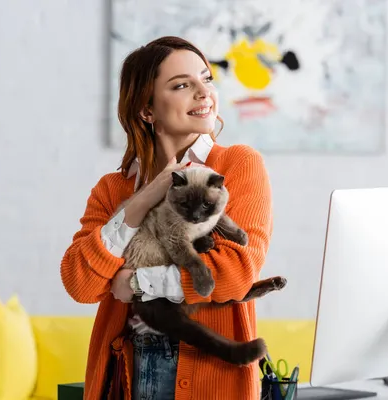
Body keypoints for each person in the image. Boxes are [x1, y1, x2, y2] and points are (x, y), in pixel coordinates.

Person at [60, 36, 273, 400]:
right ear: (147, 110)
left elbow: (236, 271)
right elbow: (81, 283)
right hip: (129, 371)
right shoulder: (113, 189)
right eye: (182, 85)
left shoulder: (237, 164)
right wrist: (142, 198)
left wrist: (138, 284)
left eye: (206, 79)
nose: (203, 93)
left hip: (214, 376)